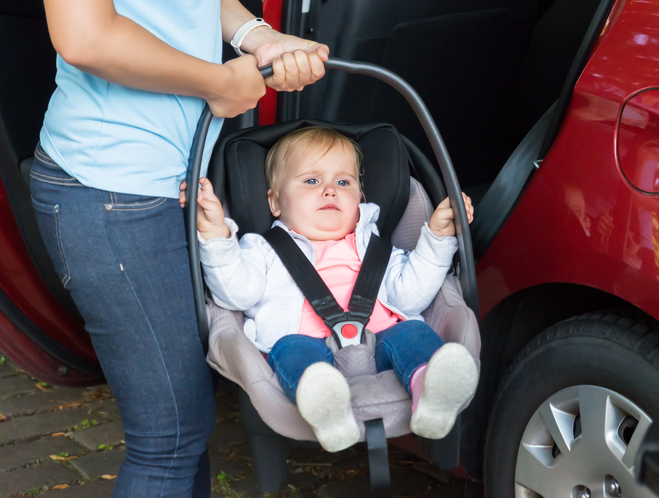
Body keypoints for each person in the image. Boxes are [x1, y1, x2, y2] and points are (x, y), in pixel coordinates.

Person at [23, 0, 328, 496]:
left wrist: (257, 37)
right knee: (169, 439)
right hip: (109, 187)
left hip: (177, 178)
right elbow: (83, 33)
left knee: (186, 434)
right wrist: (217, 82)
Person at [191, 127, 479, 452]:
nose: (330, 190)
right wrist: (216, 237)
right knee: (290, 351)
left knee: (414, 333)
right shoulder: (261, 250)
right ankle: (329, 409)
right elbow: (236, 293)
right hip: (306, 344)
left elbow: (411, 295)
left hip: (383, 341)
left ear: (360, 198)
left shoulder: (375, 248)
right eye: (312, 181)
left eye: (343, 182)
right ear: (275, 201)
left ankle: (432, 390)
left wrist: (438, 238)